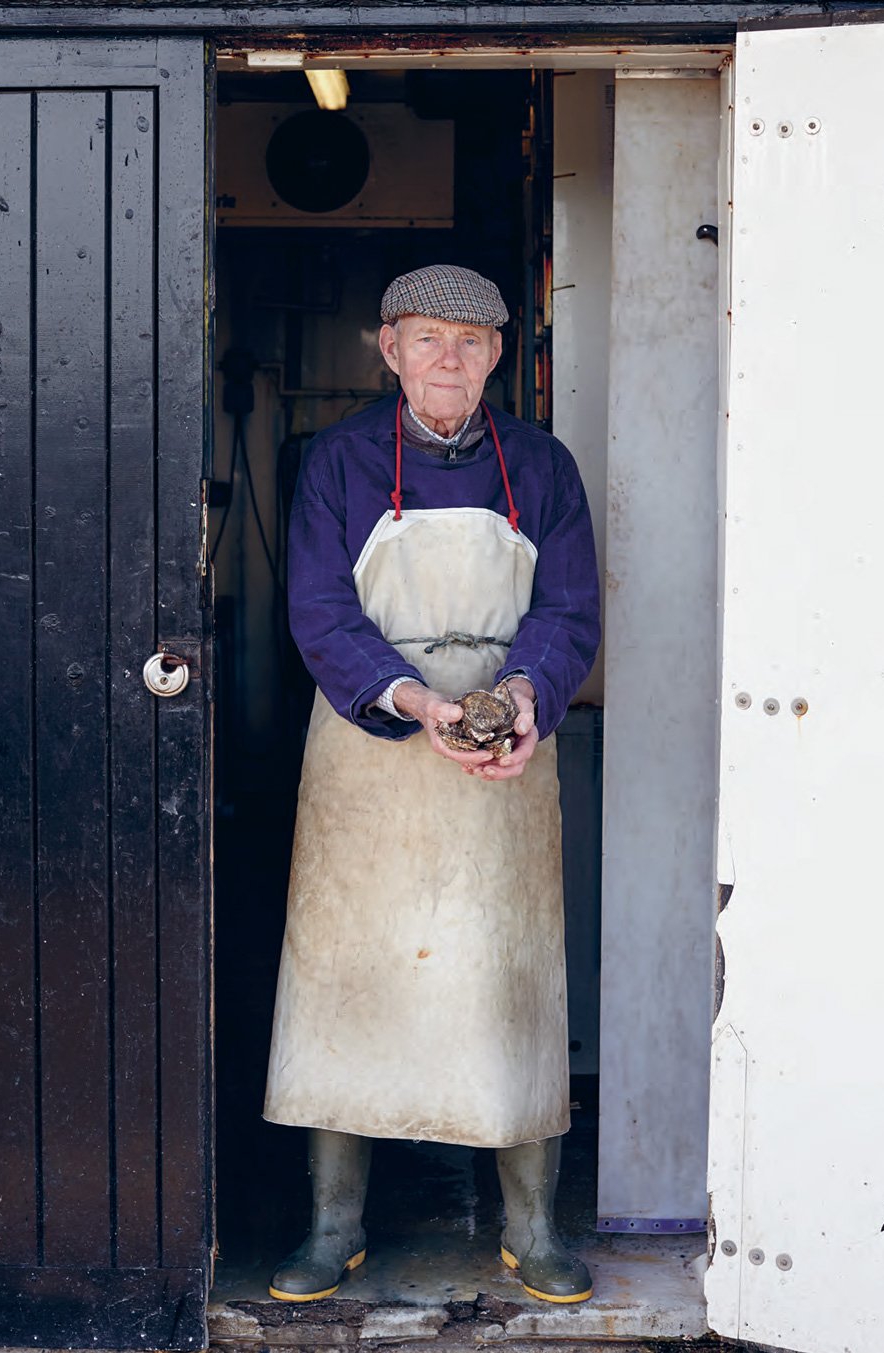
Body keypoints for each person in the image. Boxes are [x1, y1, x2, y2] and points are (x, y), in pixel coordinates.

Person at [263, 264, 601, 1305]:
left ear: (498, 353)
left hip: (505, 755)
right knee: (345, 982)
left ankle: (531, 1228)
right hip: (373, 753)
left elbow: (572, 606)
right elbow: (319, 609)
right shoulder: (338, 461)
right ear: (389, 348)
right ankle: (333, 1229)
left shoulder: (541, 465)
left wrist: (525, 696)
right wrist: (411, 700)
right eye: (425, 341)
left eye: (469, 343)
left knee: (508, 986)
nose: (446, 361)